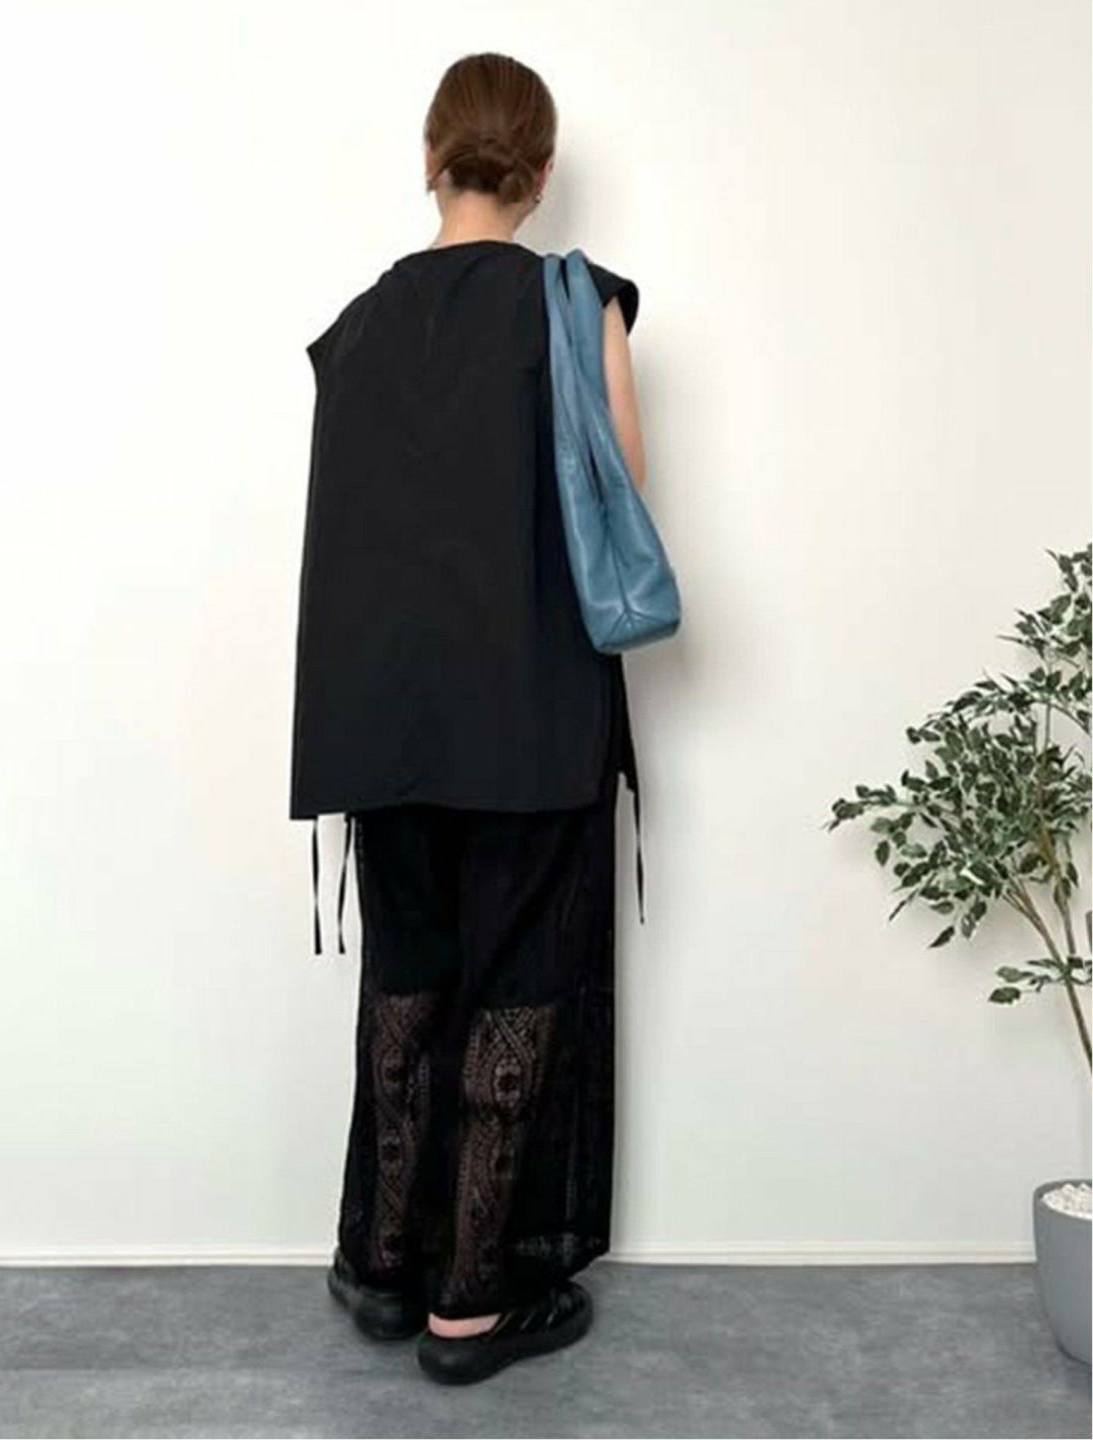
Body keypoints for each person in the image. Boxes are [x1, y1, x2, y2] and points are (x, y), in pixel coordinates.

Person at [288, 50, 648, 1385]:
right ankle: (473, 1302)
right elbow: (623, 498)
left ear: (430, 159)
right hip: (532, 708)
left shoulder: (357, 327)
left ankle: (387, 1266)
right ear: (539, 172)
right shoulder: (575, 305)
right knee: (519, 988)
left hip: (380, 720)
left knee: (408, 978)